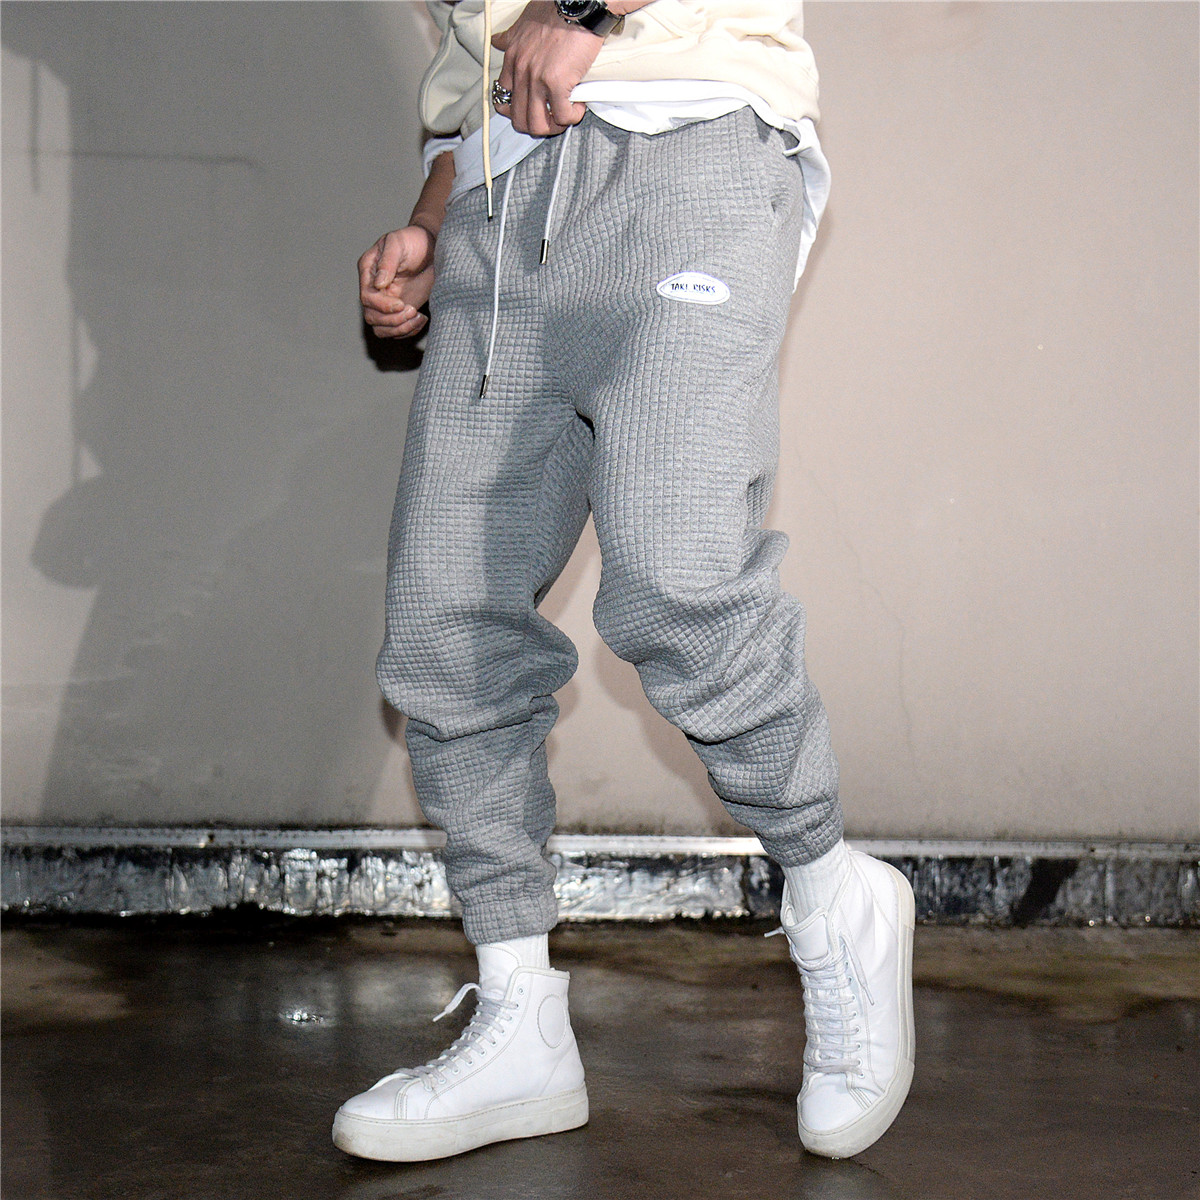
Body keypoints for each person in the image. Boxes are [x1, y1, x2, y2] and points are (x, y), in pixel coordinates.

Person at [335, 0, 915, 1163]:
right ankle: (519, 1018)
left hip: (688, 145)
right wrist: (434, 222)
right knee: (447, 618)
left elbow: (548, 24)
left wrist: (581, 8)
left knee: (678, 576)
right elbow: (477, 58)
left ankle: (833, 892)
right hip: (502, 202)